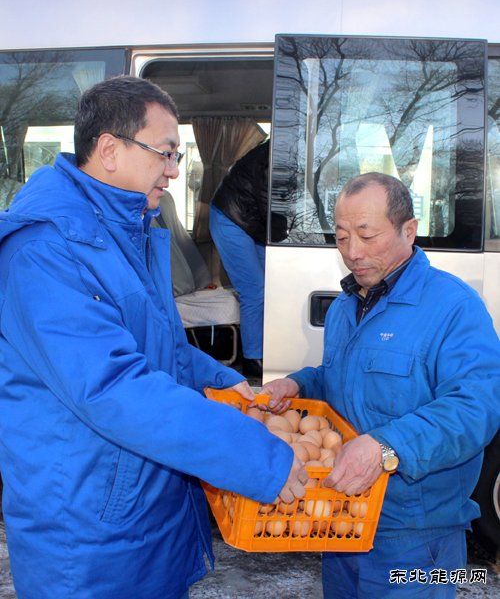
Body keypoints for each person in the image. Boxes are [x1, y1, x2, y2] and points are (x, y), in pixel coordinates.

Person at [0, 76, 308, 599]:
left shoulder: (124, 229)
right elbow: (115, 388)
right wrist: (254, 455)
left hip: (141, 512)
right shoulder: (45, 251)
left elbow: (150, 343)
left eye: (178, 155)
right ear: (109, 150)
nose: (174, 170)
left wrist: (216, 377)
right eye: (165, 153)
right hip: (89, 534)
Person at [262, 172, 500, 598]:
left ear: (409, 230)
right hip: (341, 524)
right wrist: (299, 385)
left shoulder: (454, 307)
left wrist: (386, 448)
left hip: (416, 542)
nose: (353, 252)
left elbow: (475, 408)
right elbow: (340, 379)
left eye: (367, 235)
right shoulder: (345, 306)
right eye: (341, 237)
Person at [209, 139, 287, 379]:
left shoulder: (291, 151)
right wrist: (287, 237)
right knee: (255, 289)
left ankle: (269, 349)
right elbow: (271, 203)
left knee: (273, 286)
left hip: (253, 222)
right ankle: (253, 360)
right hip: (231, 216)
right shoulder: (278, 154)